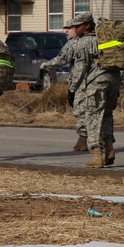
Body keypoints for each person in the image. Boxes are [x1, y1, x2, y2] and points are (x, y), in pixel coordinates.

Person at [61, 12, 121, 168]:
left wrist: (72, 90)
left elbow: (80, 71)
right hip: (114, 81)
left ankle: (97, 155)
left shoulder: (85, 42)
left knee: (92, 117)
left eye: (77, 26)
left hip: (97, 82)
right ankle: (109, 149)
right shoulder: (106, 38)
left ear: (87, 26)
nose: (74, 29)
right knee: (107, 115)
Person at [41, 21, 87, 151]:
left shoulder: (73, 43)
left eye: (70, 28)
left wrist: (46, 65)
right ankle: (105, 143)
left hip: (81, 84)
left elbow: (61, 60)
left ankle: (84, 140)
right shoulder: (95, 41)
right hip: (98, 83)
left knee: (81, 111)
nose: (66, 31)